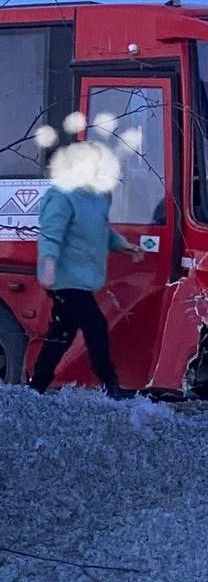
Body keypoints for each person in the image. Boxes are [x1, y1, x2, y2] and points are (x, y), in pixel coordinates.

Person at [30, 140, 143, 395]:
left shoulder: (98, 196)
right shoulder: (61, 195)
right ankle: (110, 386)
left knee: (62, 333)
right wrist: (47, 264)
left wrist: (124, 245)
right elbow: (50, 234)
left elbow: (101, 230)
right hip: (64, 278)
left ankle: (36, 387)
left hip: (83, 278)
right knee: (95, 325)